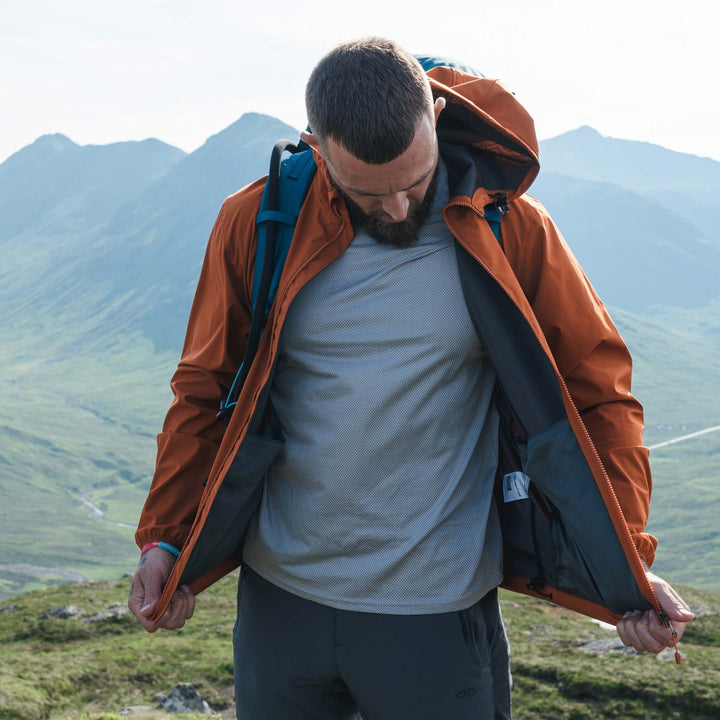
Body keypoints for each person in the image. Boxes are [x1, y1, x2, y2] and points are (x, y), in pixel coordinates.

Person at [128, 38, 693, 719]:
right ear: (318, 146)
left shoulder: (509, 228)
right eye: (369, 192)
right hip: (280, 605)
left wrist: (628, 564)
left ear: (436, 115)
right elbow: (204, 389)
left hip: (437, 615)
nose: (397, 209)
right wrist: (164, 539)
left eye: (414, 182)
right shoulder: (258, 222)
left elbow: (597, 390)